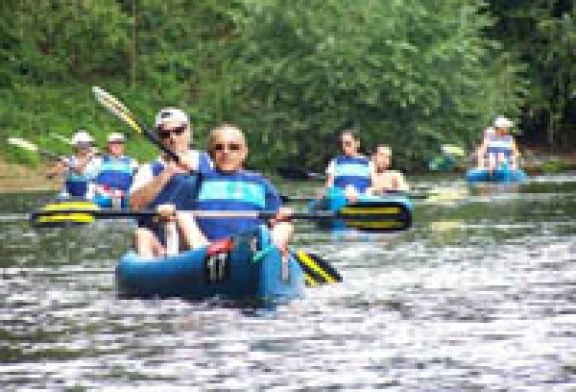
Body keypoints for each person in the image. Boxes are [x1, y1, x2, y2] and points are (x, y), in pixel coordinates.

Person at [130, 107, 212, 258]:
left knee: (185, 221)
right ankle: (151, 275)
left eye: (179, 131)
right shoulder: (147, 170)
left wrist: (199, 173)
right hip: (162, 244)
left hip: (201, 239)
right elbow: (135, 206)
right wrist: (168, 172)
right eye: (165, 134)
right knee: (141, 235)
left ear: (189, 132)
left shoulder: (209, 162)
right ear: (159, 138)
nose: (173, 138)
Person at [47, 130, 100, 199]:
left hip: (90, 195)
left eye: (87, 144)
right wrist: (60, 165)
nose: (84, 146)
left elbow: (78, 170)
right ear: (76, 146)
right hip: (69, 193)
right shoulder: (68, 159)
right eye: (81, 144)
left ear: (90, 145)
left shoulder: (97, 161)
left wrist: (89, 157)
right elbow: (49, 175)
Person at [321, 129, 372, 201]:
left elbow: (374, 185)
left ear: (357, 144)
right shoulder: (335, 162)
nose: (344, 147)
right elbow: (329, 184)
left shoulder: (369, 163)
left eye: (348, 143)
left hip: (361, 198)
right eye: (343, 144)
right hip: (340, 198)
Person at [92, 132, 139, 208]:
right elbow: (92, 182)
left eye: (120, 143)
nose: (117, 146)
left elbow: (136, 184)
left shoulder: (132, 163)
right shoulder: (99, 161)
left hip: (124, 199)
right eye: (113, 143)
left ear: (124, 146)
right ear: (109, 146)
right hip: (103, 197)